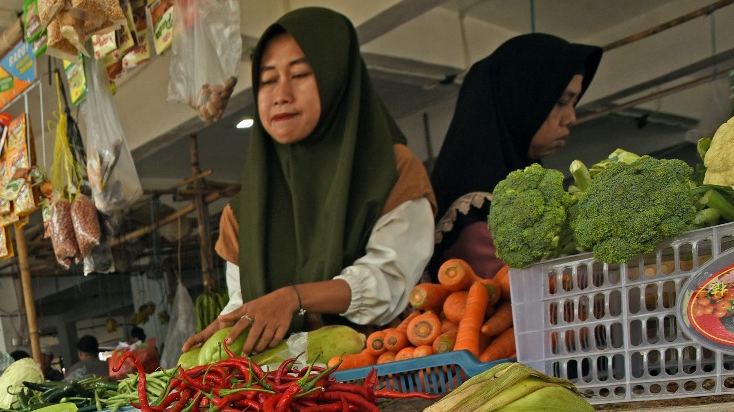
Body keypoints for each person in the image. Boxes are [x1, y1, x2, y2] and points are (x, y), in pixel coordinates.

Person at [184, 7, 437, 356]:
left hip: (385, 378)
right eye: (268, 80)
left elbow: (389, 282)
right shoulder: (243, 212)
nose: (281, 94)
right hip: (278, 402)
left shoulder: (390, 172)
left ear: (337, 78)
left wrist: (296, 298)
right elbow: (247, 304)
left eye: (300, 74)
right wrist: (226, 329)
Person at [428, 34, 602, 279]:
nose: (571, 118)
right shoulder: (474, 214)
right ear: (521, 101)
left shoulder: (533, 189)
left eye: (574, 102)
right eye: (562, 101)